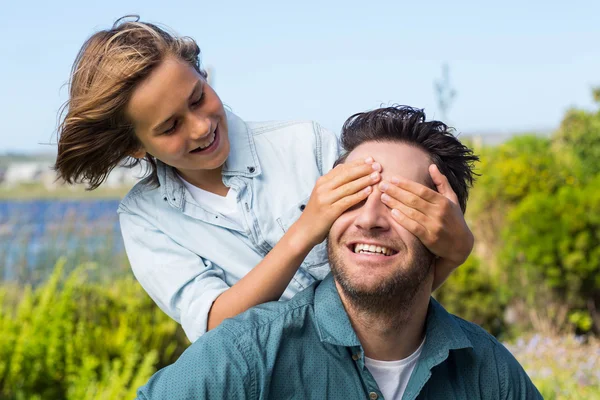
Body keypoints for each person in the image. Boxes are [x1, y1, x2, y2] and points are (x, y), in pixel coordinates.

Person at [54, 17, 474, 342]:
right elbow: (216, 324)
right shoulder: (145, 218)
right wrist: (303, 231)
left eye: (198, 98)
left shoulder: (304, 144)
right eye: (170, 127)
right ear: (136, 147)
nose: (201, 127)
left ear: (202, 75)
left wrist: (453, 251)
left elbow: (385, 280)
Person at [134, 106, 542, 400]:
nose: (369, 218)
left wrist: (457, 250)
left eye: (399, 202)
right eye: (353, 194)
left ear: (441, 230)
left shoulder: (491, 374)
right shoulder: (245, 358)